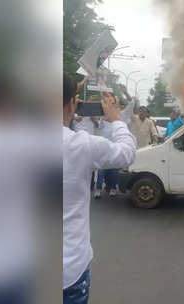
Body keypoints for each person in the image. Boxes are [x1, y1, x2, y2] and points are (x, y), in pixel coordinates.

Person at [63, 72, 136, 304]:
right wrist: (116, 119)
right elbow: (126, 153)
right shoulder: (79, 144)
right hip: (68, 271)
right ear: (72, 103)